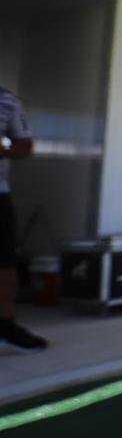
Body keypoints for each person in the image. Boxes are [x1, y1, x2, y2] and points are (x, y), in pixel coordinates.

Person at [0, 86, 45, 352]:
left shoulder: (8, 101)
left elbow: (24, 145)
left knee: (4, 261)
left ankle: (5, 325)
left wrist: (4, 150)